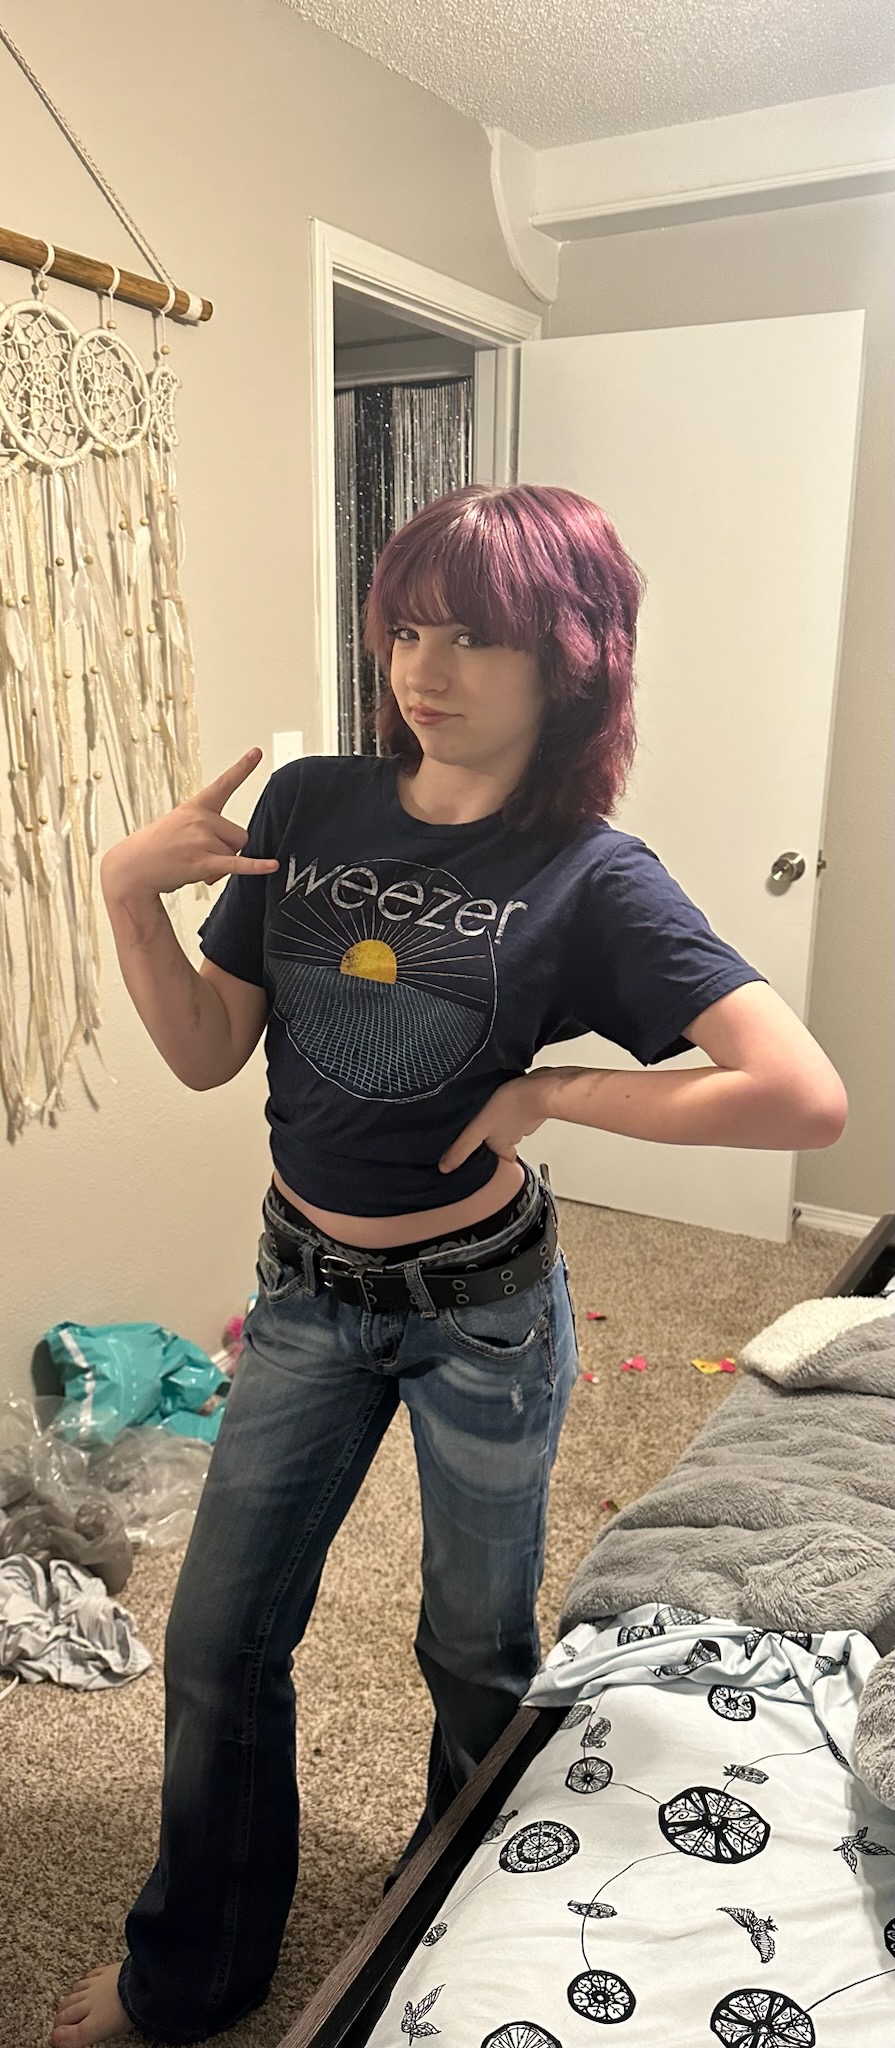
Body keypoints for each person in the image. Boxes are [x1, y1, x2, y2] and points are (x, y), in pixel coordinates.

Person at [51, 484, 847, 2048]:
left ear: (575, 660)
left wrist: (558, 1094)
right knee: (217, 1643)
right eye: (408, 627)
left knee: (472, 1649)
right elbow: (209, 1051)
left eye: (475, 637)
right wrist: (127, 891)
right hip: (302, 1295)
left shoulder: (591, 874)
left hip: (479, 1310)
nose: (425, 668)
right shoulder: (307, 809)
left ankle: (461, 1929)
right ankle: (195, 1971)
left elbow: (799, 1093)